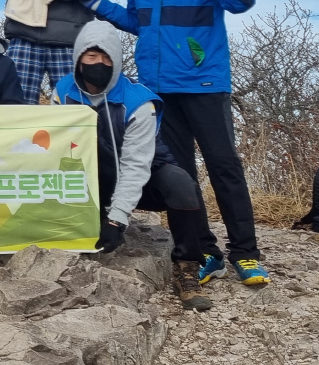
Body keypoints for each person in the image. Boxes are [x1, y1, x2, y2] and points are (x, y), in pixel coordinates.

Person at [86, 0, 266, 286]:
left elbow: (239, 2)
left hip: (203, 81)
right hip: (159, 88)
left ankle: (246, 253)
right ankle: (205, 251)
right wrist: (97, 4)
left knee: (224, 167)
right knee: (179, 176)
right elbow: (139, 22)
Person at [54, 20, 218, 312]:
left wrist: (117, 220)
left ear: (116, 60)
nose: (99, 64)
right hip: (93, 176)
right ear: (79, 57)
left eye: (106, 57)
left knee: (182, 185)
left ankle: (187, 267)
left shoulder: (140, 101)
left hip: (145, 177)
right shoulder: (63, 91)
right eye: (92, 56)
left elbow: (135, 165)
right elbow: (58, 148)